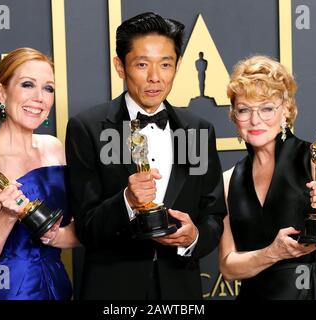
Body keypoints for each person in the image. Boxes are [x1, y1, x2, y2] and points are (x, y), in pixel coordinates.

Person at [66, 12, 226, 299]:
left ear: (177, 66)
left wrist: (195, 237)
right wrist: (126, 201)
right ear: (120, 66)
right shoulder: (87, 128)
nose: (155, 77)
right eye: (142, 64)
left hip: (181, 290)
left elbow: (214, 215)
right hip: (112, 291)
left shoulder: (198, 130)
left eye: (165, 65)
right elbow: (86, 227)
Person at [218, 55, 316, 299]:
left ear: (285, 111)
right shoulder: (228, 180)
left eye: (266, 108)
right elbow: (228, 267)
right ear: (234, 116)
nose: (255, 120)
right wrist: (272, 253)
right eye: (244, 110)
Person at [0, 47, 80, 300]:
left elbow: (79, 233)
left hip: (60, 290)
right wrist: (7, 215)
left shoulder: (54, 148)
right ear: (2, 92)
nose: (40, 97)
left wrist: (55, 236)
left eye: (48, 88)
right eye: (28, 85)